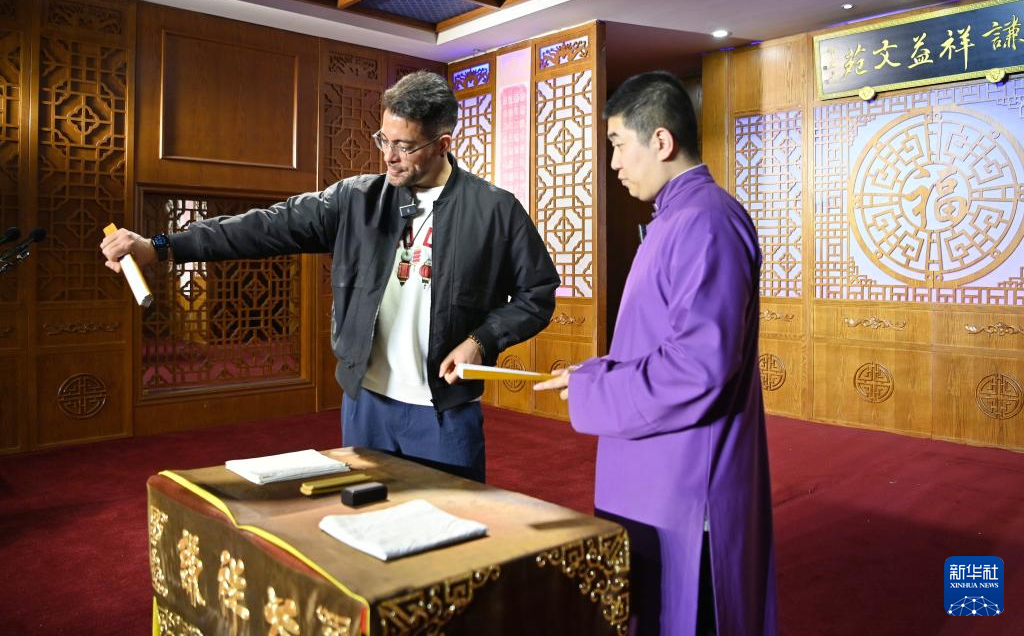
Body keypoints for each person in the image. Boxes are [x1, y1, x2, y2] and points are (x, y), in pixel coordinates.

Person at [102, 71, 559, 483]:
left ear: (442, 144)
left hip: (444, 409)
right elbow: (263, 228)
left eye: (405, 146)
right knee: (369, 522)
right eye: (384, 140)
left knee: (453, 528)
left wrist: (481, 339)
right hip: (367, 404)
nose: (389, 156)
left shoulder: (494, 210)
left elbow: (536, 293)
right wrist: (160, 247)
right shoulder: (356, 200)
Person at [535, 72, 778, 636]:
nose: (614, 163)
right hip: (655, 465)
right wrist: (594, 372)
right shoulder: (676, 217)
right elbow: (659, 341)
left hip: (687, 476)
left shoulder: (707, 222)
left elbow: (699, 368)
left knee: (687, 610)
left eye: (619, 145)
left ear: (661, 141)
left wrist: (598, 389)